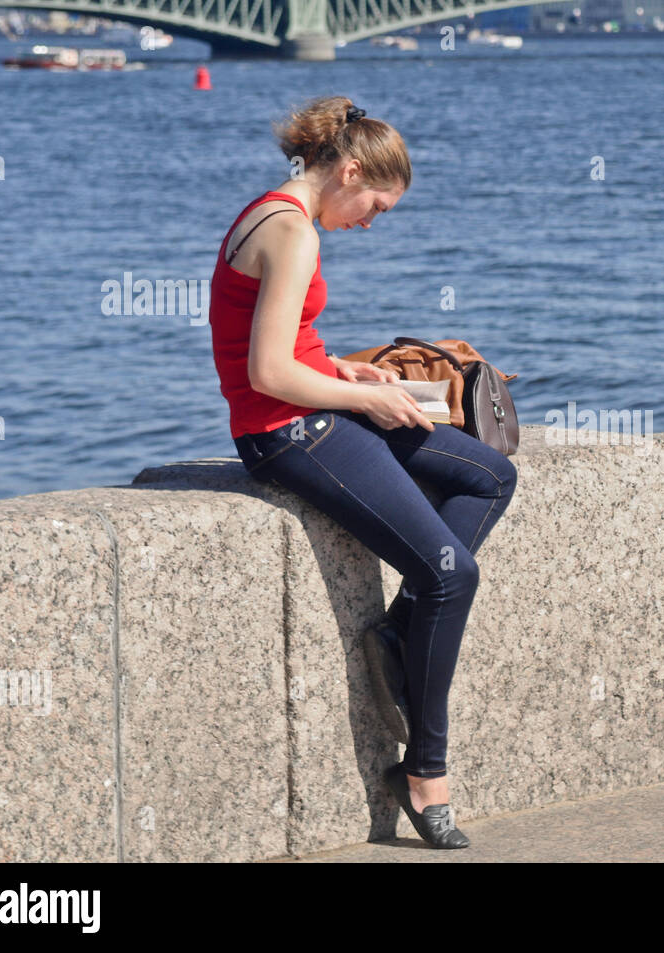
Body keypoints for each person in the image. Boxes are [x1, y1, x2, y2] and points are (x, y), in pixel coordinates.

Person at [209, 95, 518, 849]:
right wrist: (361, 400)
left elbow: (290, 342)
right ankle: (424, 771)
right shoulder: (292, 232)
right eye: (375, 205)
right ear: (348, 170)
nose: (372, 221)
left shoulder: (274, 212)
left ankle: (398, 633)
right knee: (452, 572)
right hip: (286, 432)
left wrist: (347, 369)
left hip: (318, 405)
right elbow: (268, 370)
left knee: (490, 475)